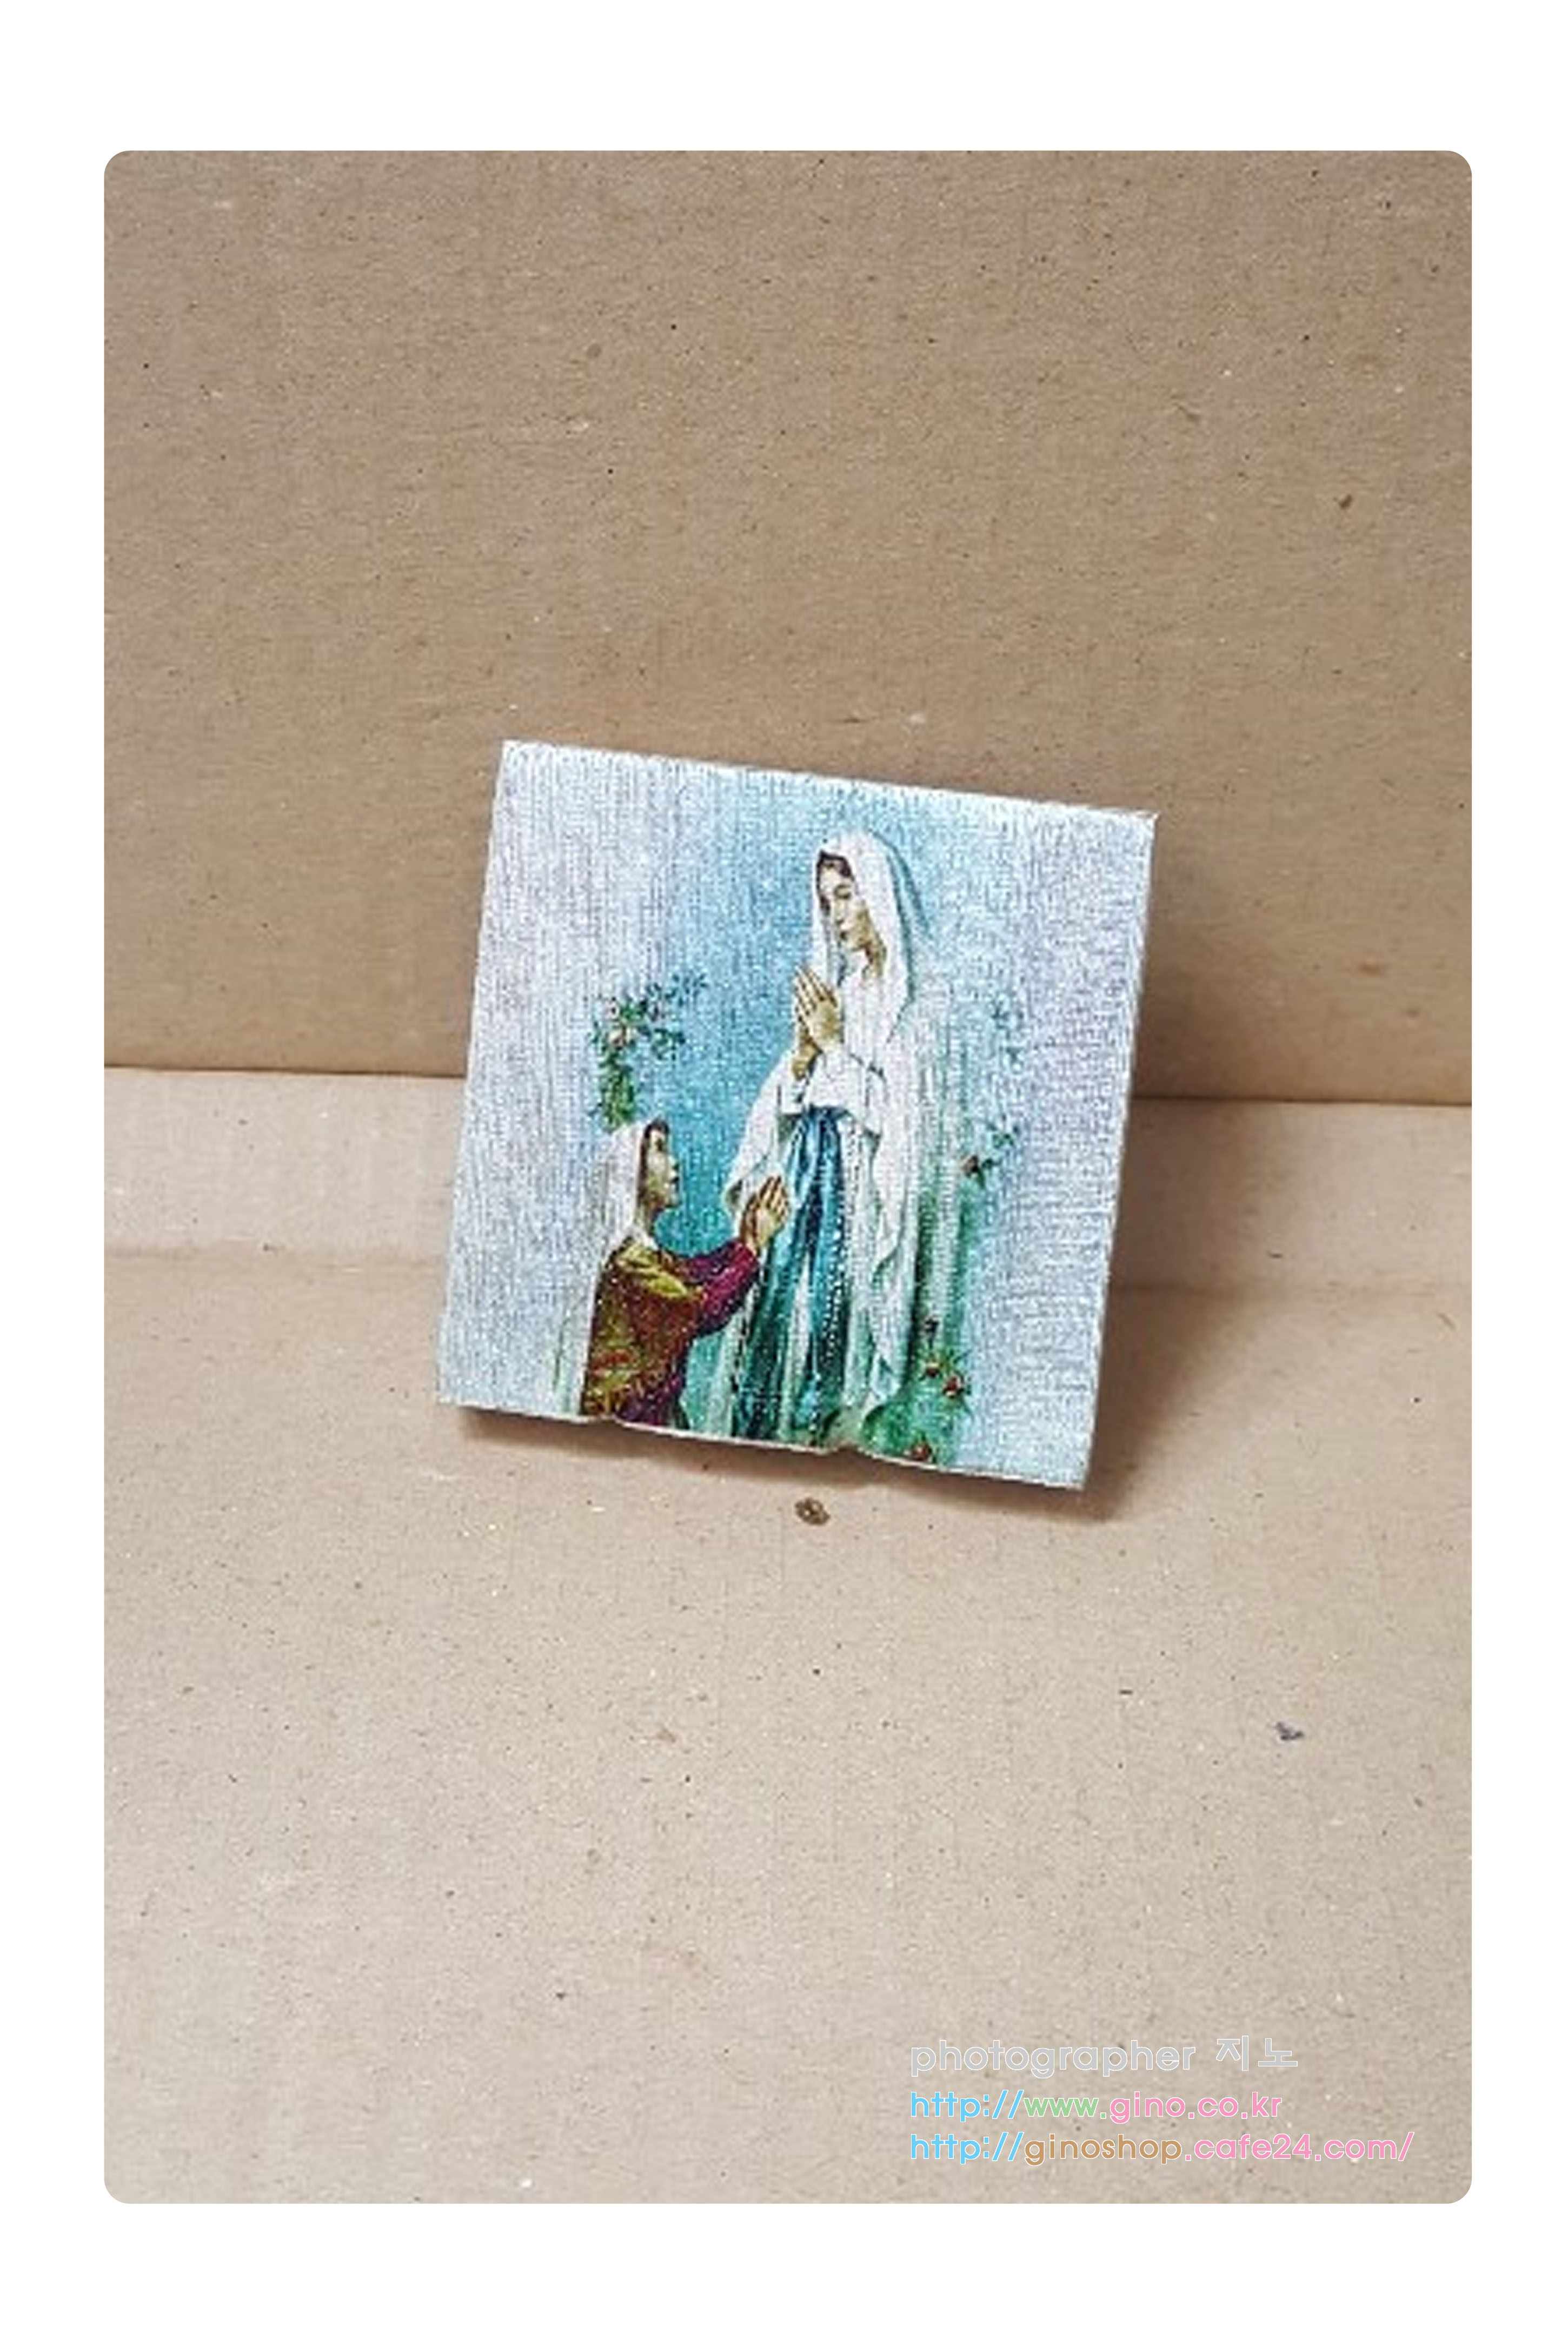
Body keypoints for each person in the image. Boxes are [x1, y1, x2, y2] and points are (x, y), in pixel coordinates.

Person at [713, 831, 960, 1450]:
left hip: (860, 1202)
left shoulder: (917, 1008)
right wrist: (802, 1057)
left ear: (879, 894)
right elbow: (795, 1099)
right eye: (827, 902)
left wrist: (829, 1045)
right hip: (806, 1190)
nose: (836, 915)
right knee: (788, 1322)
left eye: (846, 895)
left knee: (838, 1335)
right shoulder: (842, 993)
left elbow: (904, 1125)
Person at [576, 1119, 788, 1428]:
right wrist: (753, 1249)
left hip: (648, 1413)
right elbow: (704, 1310)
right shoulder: (630, 1262)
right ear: (631, 1173)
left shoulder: (646, 1255)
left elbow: (694, 1272)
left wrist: (744, 1241)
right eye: (660, 1150)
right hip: (627, 1421)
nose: (675, 1162)